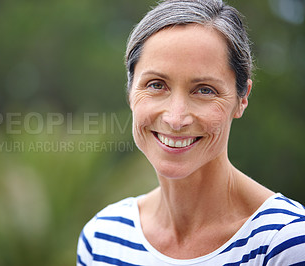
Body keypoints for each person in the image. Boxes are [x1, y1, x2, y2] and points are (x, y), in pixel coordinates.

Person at [77, 0, 305, 265]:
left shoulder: (285, 243)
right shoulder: (102, 238)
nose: (176, 119)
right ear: (130, 92)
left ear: (242, 98)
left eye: (205, 90)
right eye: (156, 84)